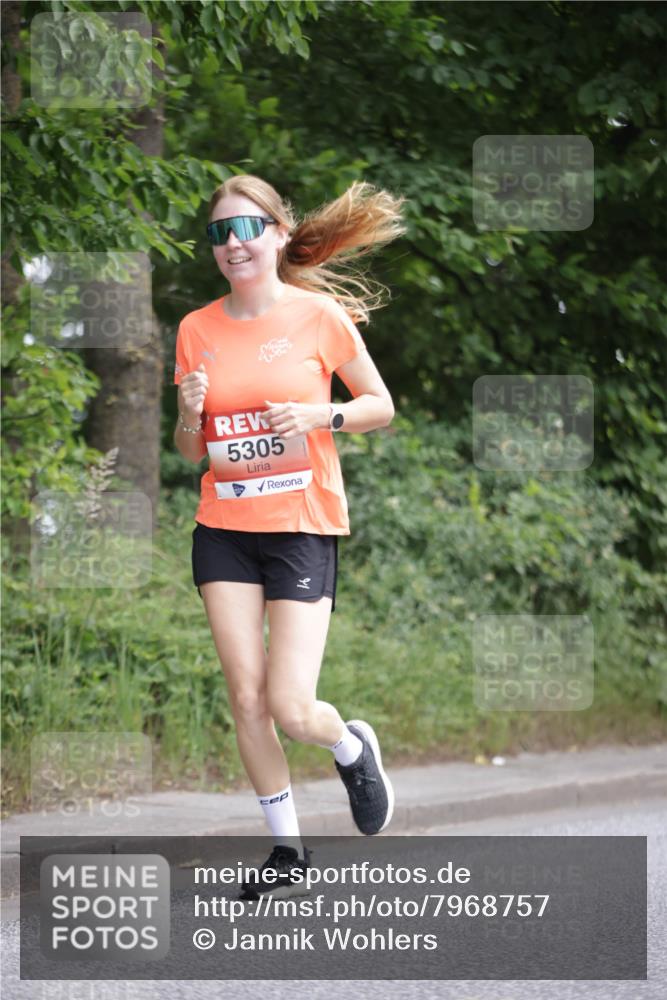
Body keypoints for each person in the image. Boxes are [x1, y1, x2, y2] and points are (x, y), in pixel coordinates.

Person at [173, 174, 406, 899]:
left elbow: (380, 405)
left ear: (277, 233)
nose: (233, 244)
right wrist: (188, 415)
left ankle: (347, 744)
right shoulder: (195, 329)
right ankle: (288, 855)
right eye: (220, 233)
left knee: (290, 707)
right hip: (225, 528)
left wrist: (320, 418)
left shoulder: (319, 316)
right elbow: (190, 453)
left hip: (300, 527)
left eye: (246, 228)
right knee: (245, 700)